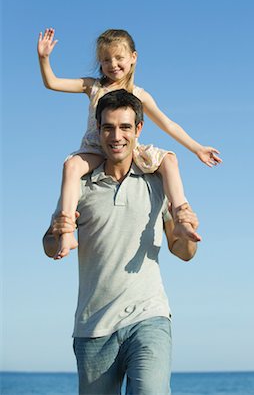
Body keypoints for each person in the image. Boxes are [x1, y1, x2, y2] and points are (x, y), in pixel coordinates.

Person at [43, 90, 200, 395]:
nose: (117, 136)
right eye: (108, 127)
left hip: (148, 317)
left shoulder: (156, 181)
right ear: (97, 130)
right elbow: (50, 246)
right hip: (93, 328)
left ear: (138, 130)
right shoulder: (80, 186)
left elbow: (184, 252)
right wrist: (55, 232)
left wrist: (186, 236)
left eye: (125, 127)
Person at [38, 28, 221, 260]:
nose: (112, 64)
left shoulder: (139, 94)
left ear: (133, 58)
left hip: (129, 151)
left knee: (170, 159)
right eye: (105, 60)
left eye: (118, 57)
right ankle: (65, 230)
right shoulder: (93, 86)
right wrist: (44, 58)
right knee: (71, 166)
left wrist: (197, 148)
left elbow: (168, 124)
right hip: (95, 149)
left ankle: (182, 219)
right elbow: (52, 83)